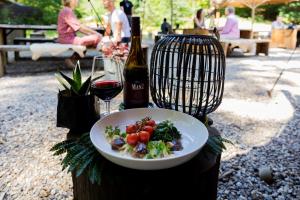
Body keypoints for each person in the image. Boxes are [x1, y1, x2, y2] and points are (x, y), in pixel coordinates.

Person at [57, 0, 102, 67]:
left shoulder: (67, 10)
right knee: (96, 38)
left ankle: (71, 60)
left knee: (92, 39)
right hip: (67, 39)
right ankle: (71, 60)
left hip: (68, 38)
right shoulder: (67, 11)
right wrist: (96, 33)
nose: (77, 1)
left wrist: (91, 33)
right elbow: (79, 28)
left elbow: (79, 26)